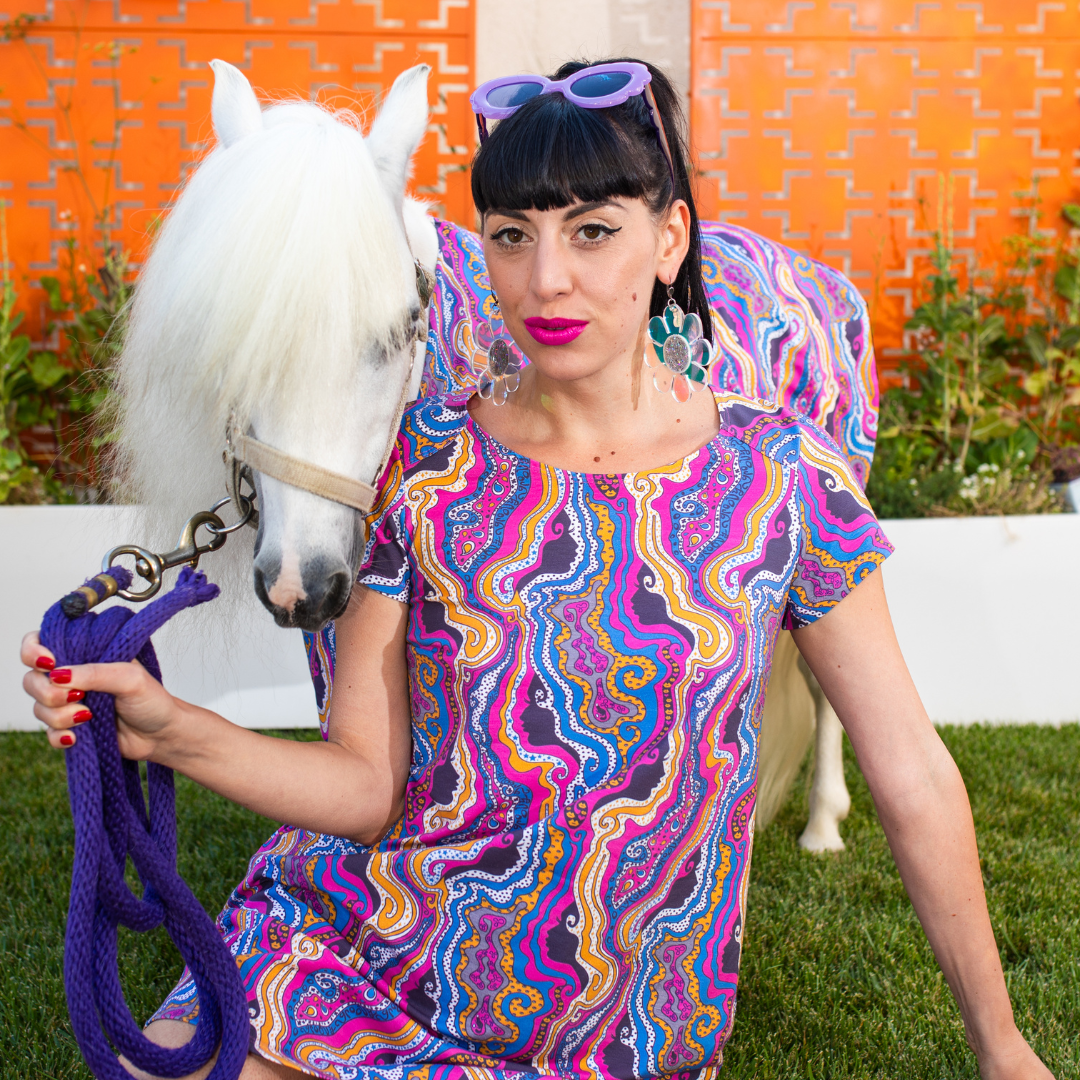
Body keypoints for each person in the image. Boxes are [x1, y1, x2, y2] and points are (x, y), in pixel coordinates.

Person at [21, 58, 1053, 1080]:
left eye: (593, 231)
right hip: (357, 966)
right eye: (513, 237)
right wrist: (172, 731)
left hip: (621, 1034)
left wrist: (1003, 1049)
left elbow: (911, 772)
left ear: (670, 240)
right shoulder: (420, 468)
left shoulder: (783, 478)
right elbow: (365, 786)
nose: (546, 279)